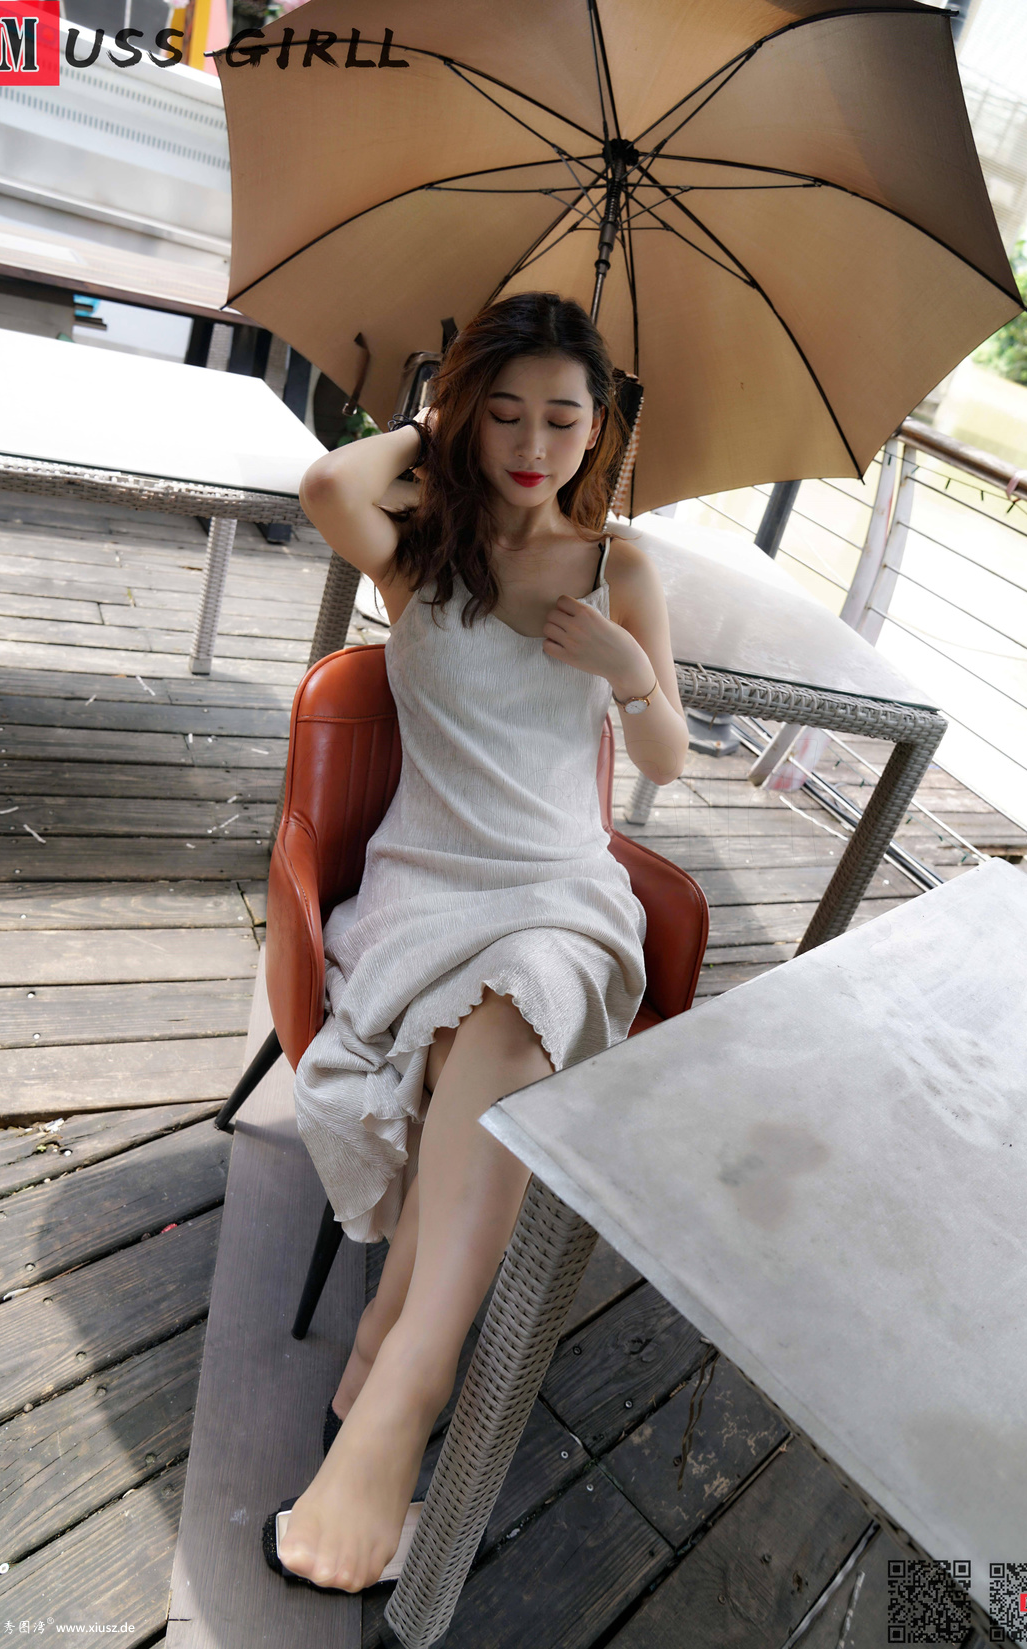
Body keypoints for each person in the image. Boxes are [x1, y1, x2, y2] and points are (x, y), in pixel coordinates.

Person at [270, 291, 689, 1593]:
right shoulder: (422, 549)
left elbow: (667, 759)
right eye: (502, 412)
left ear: (600, 426)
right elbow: (328, 482)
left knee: (520, 1001)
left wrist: (627, 668)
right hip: (427, 888)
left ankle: (402, 1377)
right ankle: (394, 1353)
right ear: (463, 415)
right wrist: (435, 418)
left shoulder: (622, 567)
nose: (532, 443)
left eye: (563, 417)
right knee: (476, 1054)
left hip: (562, 893)